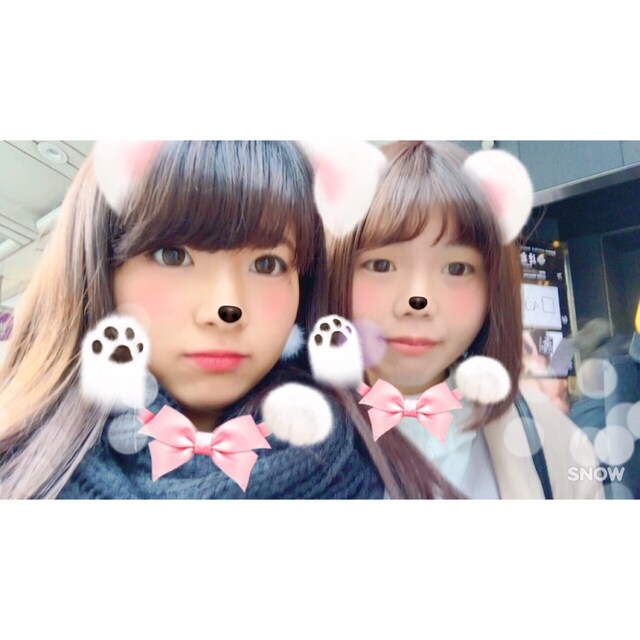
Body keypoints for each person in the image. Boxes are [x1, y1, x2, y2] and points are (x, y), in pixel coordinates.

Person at [0, 140, 457, 499]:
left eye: (267, 264)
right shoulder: (22, 466)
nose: (226, 309)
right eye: (173, 255)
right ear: (100, 267)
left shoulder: (370, 466)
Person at [325, 140, 603, 499]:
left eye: (456, 268)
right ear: (337, 273)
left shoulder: (558, 445)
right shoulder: (279, 436)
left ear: (492, 289)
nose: (418, 302)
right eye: (381, 265)